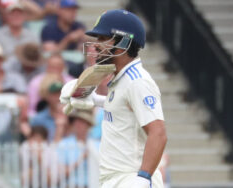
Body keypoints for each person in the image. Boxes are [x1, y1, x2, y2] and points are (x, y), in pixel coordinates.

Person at [60, 10, 167, 188]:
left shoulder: (137, 81)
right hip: (116, 179)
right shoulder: (121, 79)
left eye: (103, 39)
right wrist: (96, 100)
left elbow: (158, 133)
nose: (95, 46)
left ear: (123, 42)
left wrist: (143, 178)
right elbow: (125, 109)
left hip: (131, 178)